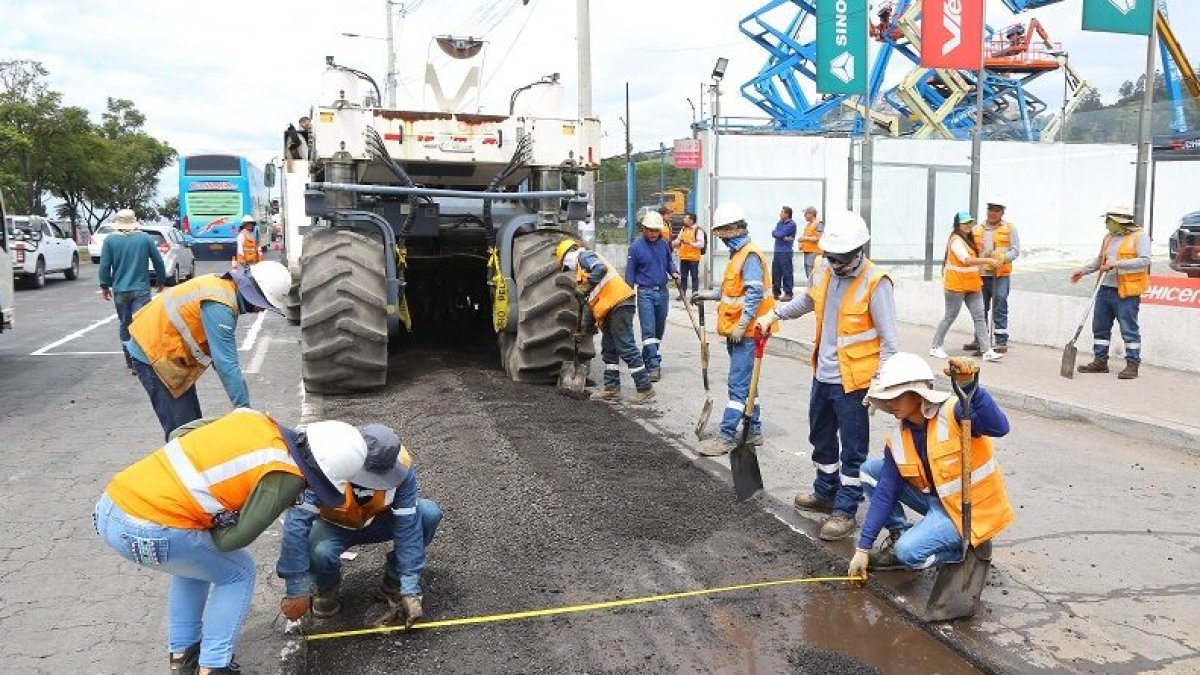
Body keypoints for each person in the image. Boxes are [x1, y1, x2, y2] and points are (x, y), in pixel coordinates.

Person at [93, 409, 376, 675]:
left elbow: (178, 433)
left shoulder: (254, 419)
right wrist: (219, 520)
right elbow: (235, 539)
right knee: (238, 572)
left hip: (112, 508)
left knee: (196, 565)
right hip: (154, 529)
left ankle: (183, 656)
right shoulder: (284, 472)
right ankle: (214, 665)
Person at [755, 210, 899, 541]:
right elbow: (807, 301)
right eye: (830, 257)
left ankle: (845, 509)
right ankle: (825, 492)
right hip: (823, 374)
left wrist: (878, 386)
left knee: (852, 449)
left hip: (855, 384)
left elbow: (891, 343)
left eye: (840, 258)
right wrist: (772, 315)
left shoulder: (876, 282)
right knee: (820, 438)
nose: (835, 263)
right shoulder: (824, 270)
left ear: (858, 250)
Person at [848, 354, 1013, 581]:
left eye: (895, 397)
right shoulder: (898, 438)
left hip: (971, 511)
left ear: (917, 395)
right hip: (938, 503)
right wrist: (862, 548)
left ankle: (964, 550)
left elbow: (1000, 427)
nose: (889, 403)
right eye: (886, 398)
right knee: (870, 471)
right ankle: (902, 534)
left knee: (908, 553)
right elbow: (885, 492)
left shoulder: (956, 413)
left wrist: (972, 390)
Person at [277, 424, 442, 628]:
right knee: (320, 552)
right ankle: (326, 587)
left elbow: (408, 527)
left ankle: (394, 582)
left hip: (376, 520)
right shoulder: (324, 461)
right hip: (332, 525)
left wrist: (410, 589)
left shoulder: (403, 466)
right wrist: (296, 589)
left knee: (428, 514)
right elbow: (297, 524)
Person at [126, 260, 293, 439]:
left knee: (192, 429)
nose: (261, 310)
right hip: (153, 354)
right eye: (264, 303)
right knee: (182, 435)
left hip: (167, 355)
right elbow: (225, 364)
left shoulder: (224, 290)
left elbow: (219, 356)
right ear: (254, 292)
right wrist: (245, 411)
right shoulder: (220, 306)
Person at [691, 204, 776, 456]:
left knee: (737, 384)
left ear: (732, 230)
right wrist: (709, 295)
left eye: (721, 233)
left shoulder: (749, 255)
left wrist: (742, 323)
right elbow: (732, 291)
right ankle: (754, 429)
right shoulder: (737, 255)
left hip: (749, 332)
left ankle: (727, 435)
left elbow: (754, 293)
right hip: (739, 330)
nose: (720, 238)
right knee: (748, 382)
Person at [556, 240, 655, 403]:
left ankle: (645, 388)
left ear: (571, 252)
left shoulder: (585, 256)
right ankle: (612, 388)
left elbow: (600, 269)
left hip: (619, 303)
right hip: (609, 308)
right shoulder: (582, 275)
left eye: (566, 264)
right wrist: (582, 329)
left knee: (625, 345)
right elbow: (588, 306)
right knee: (609, 349)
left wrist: (586, 286)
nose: (569, 268)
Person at [1070, 203, 1151, 380]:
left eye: (1109, 219)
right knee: (1100, 327)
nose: (1107, 223)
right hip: (1104, 289)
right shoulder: (1109, 237)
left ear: (1120, 220)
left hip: (1126, 292)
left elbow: (1144, 260)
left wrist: (1117, 264)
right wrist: (1082, 271)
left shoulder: (1140, 236)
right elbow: (1100, 261)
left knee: (1129, 329)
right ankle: (1100, 361)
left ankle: (1132, 364)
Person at [98, 208, 167, 372]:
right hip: (141, 289)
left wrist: (104, 285)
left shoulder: (110, 240)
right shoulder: (144, 239)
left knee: (125, 323)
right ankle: (140, 360)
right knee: (141, 324)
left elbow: (105, 265)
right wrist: (161, 279)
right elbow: (157, 260)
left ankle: (129, 357)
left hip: (120, 290)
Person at [930, 211, 1002, 362]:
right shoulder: (956, 240)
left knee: (979, 317)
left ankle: (986, 350)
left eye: (970, 223)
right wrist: (988, 260)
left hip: (972, 285)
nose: (968, 226)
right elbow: (966, 260)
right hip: (956, 286)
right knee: (950, 316)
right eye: (965, 223)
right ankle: (935, 347)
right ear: (958, 225)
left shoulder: (968, 240)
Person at [625, 211, 679, 382]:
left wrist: (674, 271)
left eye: (657, 231)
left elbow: (668, 262)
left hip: (662, 292)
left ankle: (647, 358)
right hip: (645, 293)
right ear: (644, 229)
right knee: (648, 331)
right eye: (651, 230)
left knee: (658, 331)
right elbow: (630, 273)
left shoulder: (664, 244)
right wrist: (628, 293)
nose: (654, 234)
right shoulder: (635, 247)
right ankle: (655, 365)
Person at [966, 198, 1020, 354]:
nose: (993, 213)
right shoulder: (977, 229)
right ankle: (979, 340)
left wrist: (1003, 257)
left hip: (1000, 275)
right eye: (990, 209)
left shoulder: (1010, 228)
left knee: (1000, 304)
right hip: (980, 275)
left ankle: (1001, 341)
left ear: (1002, 212)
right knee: (979, 308)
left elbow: (1015, 251)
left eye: (996, 210)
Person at [672, 212, 705, 298]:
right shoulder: (683, 229)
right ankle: (682, 294)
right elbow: (678, 240)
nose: (684, 220)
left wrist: (690, 243)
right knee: (683, 277)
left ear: (691, 220)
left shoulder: (698, 230)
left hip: (693, 258)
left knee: (694, 277)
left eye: (686, 218)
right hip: (684, 257)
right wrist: (672, 243)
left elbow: (701, 244)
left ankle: (695, 295)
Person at [771, 206, 798, 301]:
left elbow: (780, 234)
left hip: (786, 252)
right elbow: (774, 233)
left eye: (782, 212)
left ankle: (788, 293)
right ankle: (776, 292)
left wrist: (779, 234)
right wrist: (778, 234)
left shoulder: (792, 224)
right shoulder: (779, 223)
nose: (780, 214)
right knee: (776, 273)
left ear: (787, 214)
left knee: (787, 272)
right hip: (777, 251)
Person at [798, 206, 824, 281]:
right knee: (808, 270)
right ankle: (810, 289)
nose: (804, 215)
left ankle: (813, 289)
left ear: (811, 214)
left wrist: (804, 239)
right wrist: (801, 244)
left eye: (806, 213)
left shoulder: (819, 223)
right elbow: (806, 236)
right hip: (807, 251)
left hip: (814, 252)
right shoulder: (808, 225)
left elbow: (818, 238)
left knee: (812, 270)